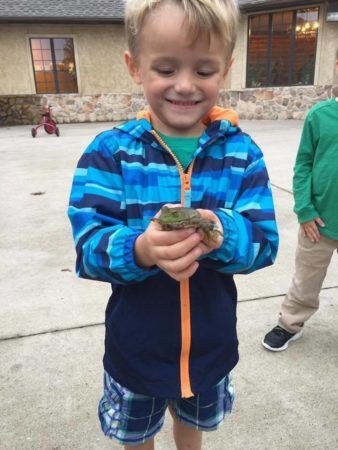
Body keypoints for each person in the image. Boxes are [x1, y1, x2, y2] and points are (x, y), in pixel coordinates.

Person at [68, 0, 278, 448]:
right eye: (165, 68)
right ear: (135, 67)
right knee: (137, 434)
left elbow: (265, 243)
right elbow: (88, 247)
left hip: (210, 347)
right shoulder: (109, 153)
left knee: (194, 427)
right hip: (135, 348)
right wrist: (140, 249)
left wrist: (220, 232)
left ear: (226, 69)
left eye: (204, 70)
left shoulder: (241, 153)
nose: (184, 85)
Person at [262, 89, 338, 352]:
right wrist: (305, 210)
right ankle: (290, 323)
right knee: (306, 278)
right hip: (320, 221)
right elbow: (303, 164)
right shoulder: (320, 115)